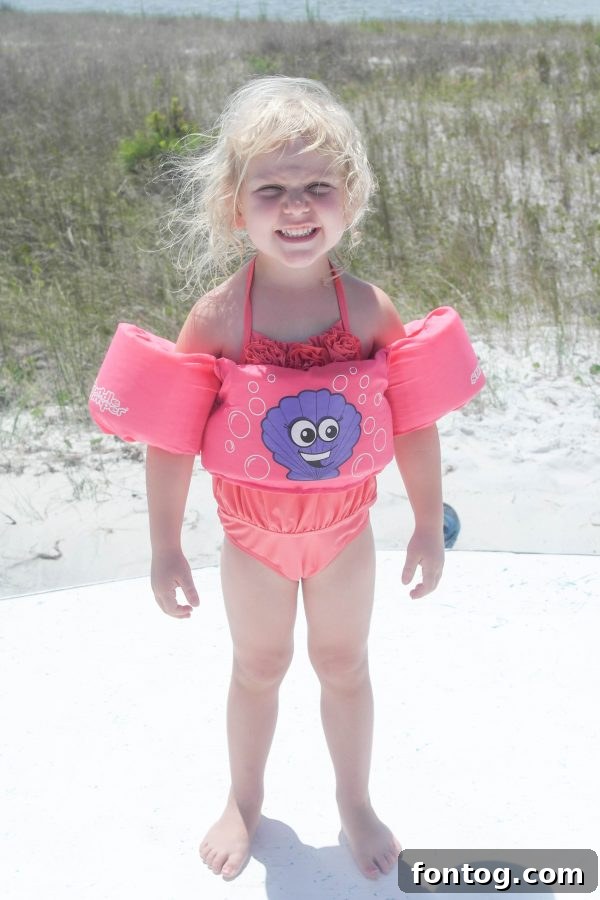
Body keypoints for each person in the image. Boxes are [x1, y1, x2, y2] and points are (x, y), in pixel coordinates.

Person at [90, 76, 484, 882]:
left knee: (345, 665)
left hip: (344, 536)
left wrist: (424, 522)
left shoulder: (370, 311)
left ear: (351, 199)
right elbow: (168, 441)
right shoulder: (217, 317)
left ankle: (354, 801)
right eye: (271, 189)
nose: (296, 205)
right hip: (251, 540)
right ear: (237, 208)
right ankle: (244, 799)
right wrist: (165, 547)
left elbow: (412, 420)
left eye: (317, 187)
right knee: (257, 668)